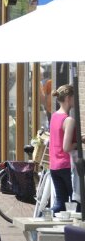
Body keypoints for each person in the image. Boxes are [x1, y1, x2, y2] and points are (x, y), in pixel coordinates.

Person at [49, 84, 79, 213]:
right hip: (67, 166)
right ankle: (77, 232)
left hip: (54, 166)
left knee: (60, 202)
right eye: (74, 97)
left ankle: (40, 219)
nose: (75, 100)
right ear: (68, 98)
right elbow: (66, 147)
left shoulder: (54, 116)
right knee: (77, 202)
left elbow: (58, 138)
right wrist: (78, 143)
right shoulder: (69, 120)